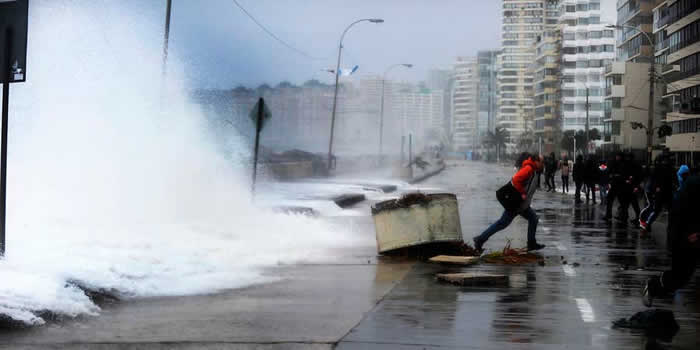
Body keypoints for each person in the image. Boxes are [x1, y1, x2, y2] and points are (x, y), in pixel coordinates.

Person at [642, 172, 699, 307]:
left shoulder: (692, 183)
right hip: (687, 238)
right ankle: (654, 286)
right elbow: (679, 213)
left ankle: (656, 286)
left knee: (681, 276)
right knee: (680, 276)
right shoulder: (694, 184)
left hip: (686, 235)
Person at [473, 153, 546, 252]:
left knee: (533, 219)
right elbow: (515, 180)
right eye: (542, 162)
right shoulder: (529, 169)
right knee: (502, 223)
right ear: (536, 161)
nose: (543, 164)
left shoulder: (534, 171)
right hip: (517, 204)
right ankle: (480, 239)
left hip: (523, 205)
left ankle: (531, 243)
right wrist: (522, 193)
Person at [639, 156, 675, 231]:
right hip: (666, 191)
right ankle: (649, 224)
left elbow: (654, 179)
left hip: (662, 191)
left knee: (657, 210)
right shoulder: (669, 169)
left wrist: (656, 188)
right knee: (663, 210)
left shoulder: (659, 169)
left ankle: (648, 225)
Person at [603, 153, 625, 221]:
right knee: (620, 201)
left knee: (614, 200)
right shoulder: (620, 164)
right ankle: (622, 215)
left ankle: (610, 215)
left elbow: (610, 172)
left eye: (618, 156)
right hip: (617, 185)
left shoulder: (617, 164)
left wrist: (612, 177)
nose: (617, 157)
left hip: (617, 185)